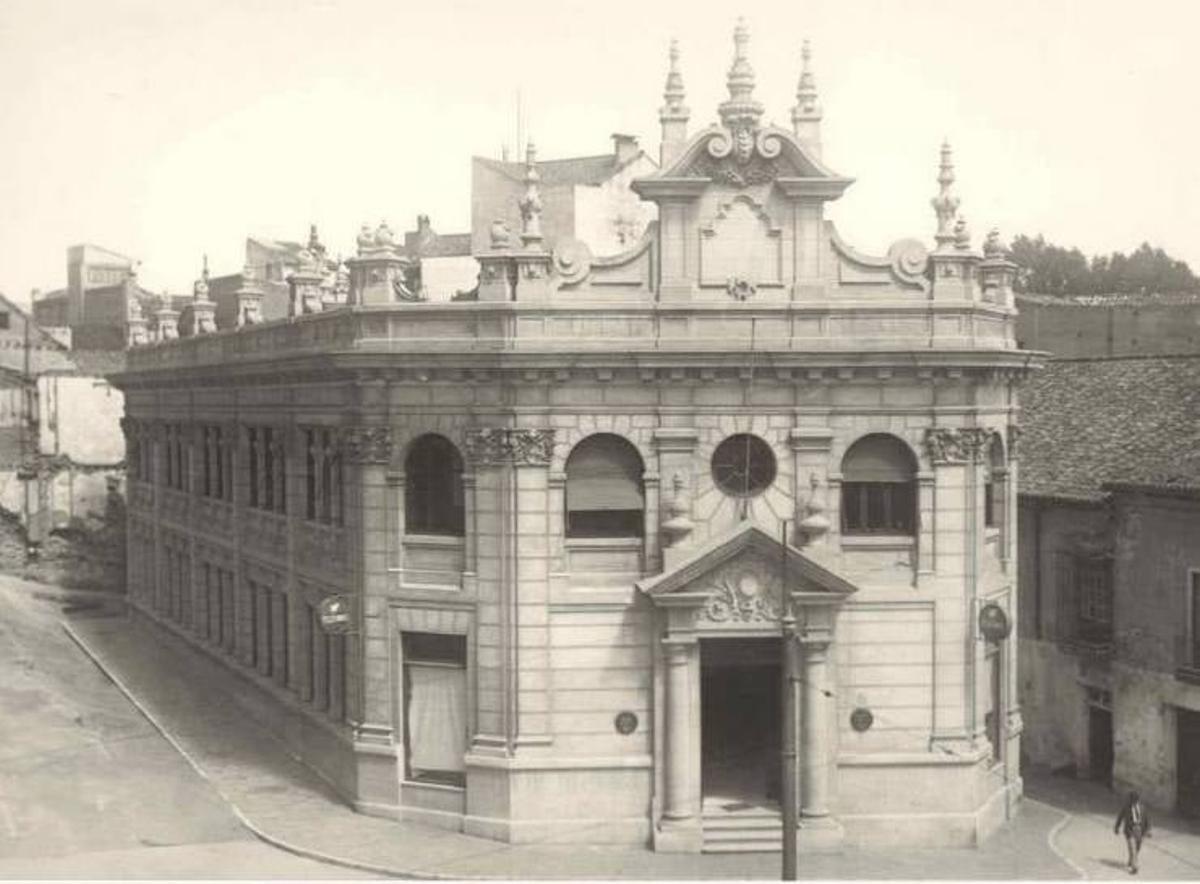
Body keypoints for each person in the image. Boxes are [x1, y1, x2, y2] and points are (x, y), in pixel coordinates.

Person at [1114, 790, 1151, 874]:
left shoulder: (1142, 808)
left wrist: (1148, 830)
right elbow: (1120, 817)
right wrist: (1117, 827)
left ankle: (1131, 860)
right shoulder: (1126, 807)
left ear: (1137, 800)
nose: (1132, 802)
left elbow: (1147, 820)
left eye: (1134, 800)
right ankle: (1135, 867)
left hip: (1139, 831)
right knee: (1132, 848)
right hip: (1129, 830)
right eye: (1131, 800)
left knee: (1137, 848)